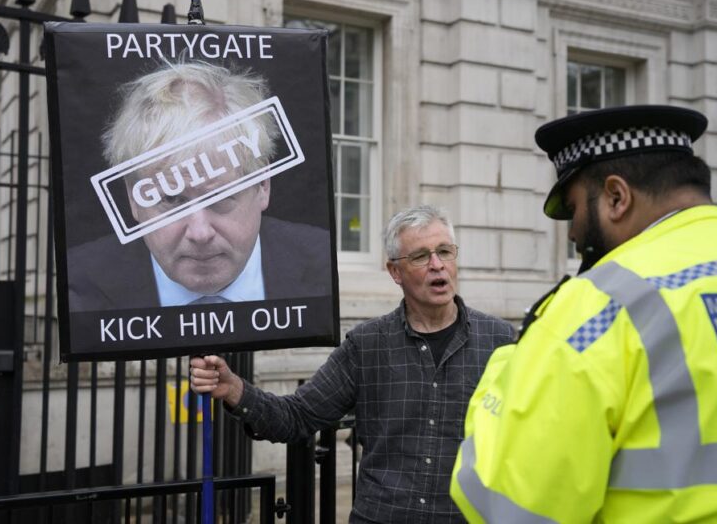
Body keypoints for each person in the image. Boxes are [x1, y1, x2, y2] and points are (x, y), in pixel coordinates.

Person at [450, 105, 717, 522]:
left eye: (575, 208)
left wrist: (512, 364)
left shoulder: (598, 307)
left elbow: (507, 507)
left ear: (616, 197)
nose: (574, 231)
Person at [191, 204, 515, 523]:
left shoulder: (500, 341)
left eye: (445, 251)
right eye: (420, 256)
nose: (437, 265)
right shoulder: (367, 344)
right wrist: (234, 389)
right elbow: (297, 417)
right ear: (395, 272)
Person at [67, 61, 330, 311]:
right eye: (172, 199)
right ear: (134, 199)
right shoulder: (81, 279)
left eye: (221, 196)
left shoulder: (323, 263)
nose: (200, 233)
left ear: (262, 185)